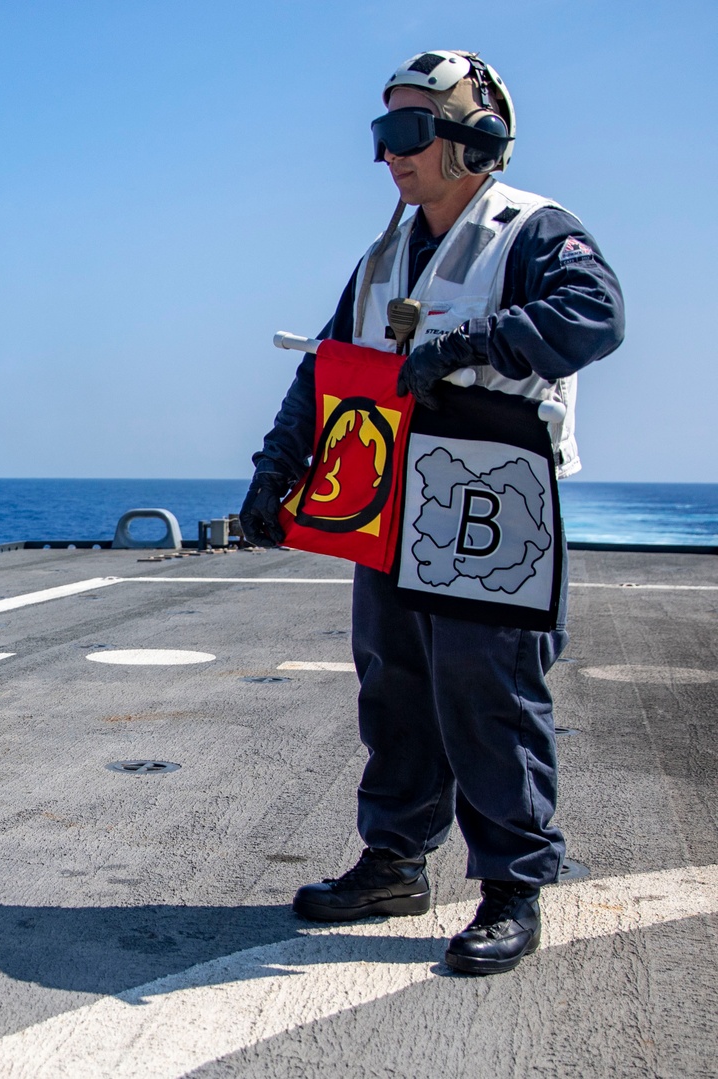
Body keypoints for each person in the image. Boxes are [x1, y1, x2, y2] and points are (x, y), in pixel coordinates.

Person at [239, 50, 624, 975]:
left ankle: (513, 888)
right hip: (393, 499)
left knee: (490, 694)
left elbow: (595, 317)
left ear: (473, 140)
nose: (389, 157)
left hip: (491, 494)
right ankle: (394, 863)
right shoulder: (383, 254)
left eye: (407, 134)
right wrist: (274, 471)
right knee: (396, 686)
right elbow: (328, 364)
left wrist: (469, 342)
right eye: (382, 137)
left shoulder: (530, 229)